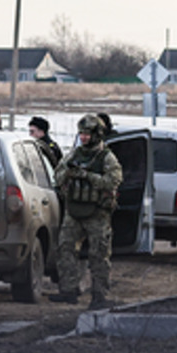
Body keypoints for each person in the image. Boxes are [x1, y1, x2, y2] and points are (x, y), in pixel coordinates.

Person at [49, 115, 123, 310]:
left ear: (96, 135)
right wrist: (69, 173)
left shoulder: (106, 157)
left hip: (97, 213)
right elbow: (57, 176)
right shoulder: (74, 154)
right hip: (74, 210)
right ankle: (68, 290)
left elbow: (113, 181)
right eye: (81, 133)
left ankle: (99, 295)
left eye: (87, 134)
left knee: (98, 254)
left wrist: (87, 176)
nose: (83, 137)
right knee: (65, 248)